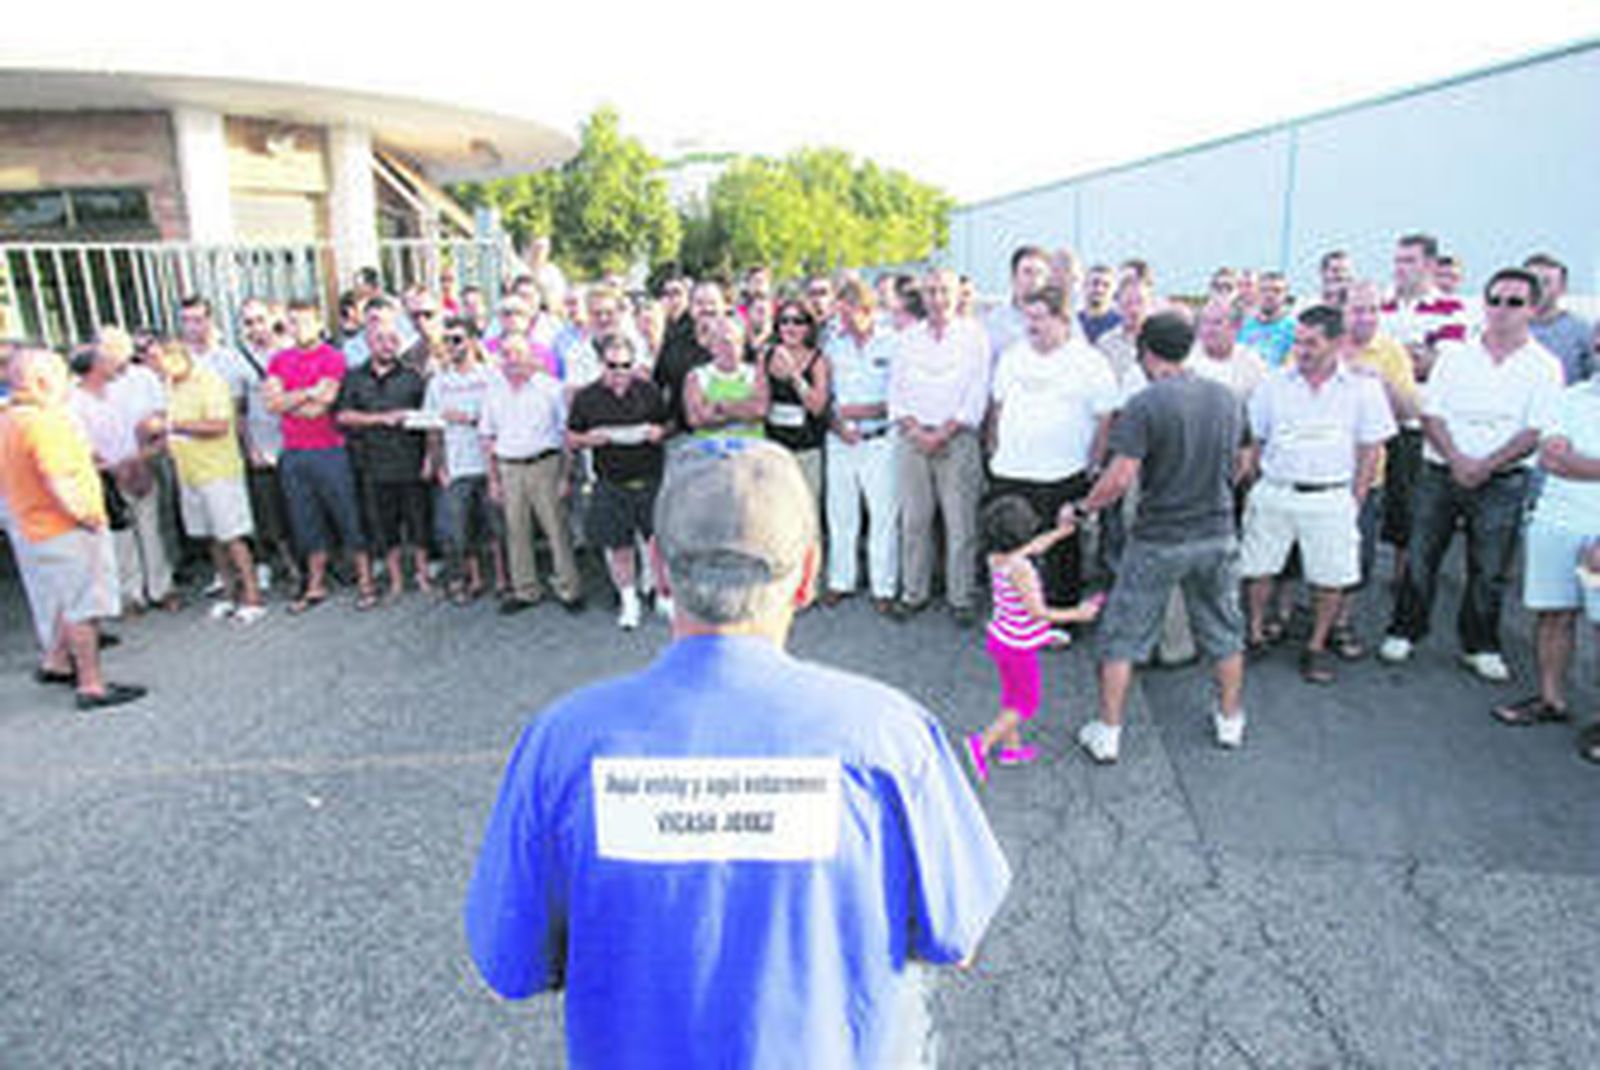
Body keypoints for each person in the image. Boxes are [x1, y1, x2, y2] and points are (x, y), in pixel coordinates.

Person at [464, 436, 1011, 1068]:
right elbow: (956, 935)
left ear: (661, 571)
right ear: (807, 573)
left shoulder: (563, 743)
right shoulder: (890, 735)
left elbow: (512, 964)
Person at [1064, 312, 1249, 763]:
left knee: (1122, 635)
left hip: (1159, 538)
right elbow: (1244, 460)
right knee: (1225, 630)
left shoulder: (1146, 404)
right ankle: (1229, 721)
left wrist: (1084, 507)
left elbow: (1119, 478)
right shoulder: (1227, 399)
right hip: (1218, 531)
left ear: (1146, 352)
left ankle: (1107, 732)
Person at [1379, 268, 1565, 680]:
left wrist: (1485, 465)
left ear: (1532, 309)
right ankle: (1405, 630)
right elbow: (1432, 412)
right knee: (1422, 556)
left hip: (1502, 480)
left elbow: (1535, 430)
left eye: (1514, 302)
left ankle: (1479, 644)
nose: (1501, 309)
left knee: (1489, 568)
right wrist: (1458, 461)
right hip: (1441, 471)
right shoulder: (1457, 356)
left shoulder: (1545, 367)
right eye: (1495, 300)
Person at [1238, 306, 1395, 684]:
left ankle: (1316, 646)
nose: (1302, 350)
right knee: (1259, 568)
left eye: (1312, 343)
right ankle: (1255, 634)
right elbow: (1256, 440)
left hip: (1331, 496)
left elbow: (1369, 449)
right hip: (1276, 490)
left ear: (1338, 343)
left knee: (1330, 576)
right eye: (1298, 341)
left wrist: (1354, 499)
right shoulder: (1273, 383)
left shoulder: (1364, 389)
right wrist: (1256, 486)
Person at [0, 348, 146, 709]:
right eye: (63, 375)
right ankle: (92, 684)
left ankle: (57, 661)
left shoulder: (9, 418)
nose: (69, 383)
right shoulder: (45, 423)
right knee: (84, 605)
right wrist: (87, 516)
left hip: (33, 524)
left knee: (67, 599)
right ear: (41, 381)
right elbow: (58, 478)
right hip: (63, 526)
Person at [986, 283, 1117, 609]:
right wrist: (993, 450)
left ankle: (1061, 617)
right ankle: (1015, 615)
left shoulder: (1090, 361)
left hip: (1063, 473)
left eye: (1041, 317)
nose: (1032, 324)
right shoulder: (1013, 357)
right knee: (1010, 548)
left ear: (1063, 320)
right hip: (1011, 469)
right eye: (1028, 317)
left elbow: (1105, 419)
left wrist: (1095, 465)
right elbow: (998, 407)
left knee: (1060, 552)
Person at [1492, 366, 1600, 753]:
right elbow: (1552, 460)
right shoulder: (1568, 397)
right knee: (1554, 614)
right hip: (1555, 522)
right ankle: (1551, 699)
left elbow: (1566, 459)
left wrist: (1577, 462)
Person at [965, 496, 1102, 782]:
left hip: (1001, 638)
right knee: (1025, 704)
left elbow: (1034, 546)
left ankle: (1011, 749)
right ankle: (982, 743)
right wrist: (1080, 613)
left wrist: (1060, 533)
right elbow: (1038, 612)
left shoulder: (996, 557)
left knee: (1012, 696)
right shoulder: (1022, 569)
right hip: (1017, 647)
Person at [889, 269, 991, 625]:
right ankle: (913, 593)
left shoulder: (974, 336)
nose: (937, 298)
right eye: (930, 291)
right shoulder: (907, 338)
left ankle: (960, 597)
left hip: (957, 439)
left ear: (957, 294)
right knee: (914, 522)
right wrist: (916, 431)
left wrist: (944, 432)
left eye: (943, 291)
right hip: (912, 439)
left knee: (960, 523)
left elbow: (977, 392)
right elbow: (896, 391)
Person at [265, 299, 376, 614]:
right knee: (305, 521)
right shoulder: (279, 359)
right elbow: (271, 403)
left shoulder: (333, 357)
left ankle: (366, 581)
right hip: (294, 453)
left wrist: (291, 398)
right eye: (292, 321)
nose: (297, 328)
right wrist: (306, 392)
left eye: (303, 321)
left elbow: (323, 403)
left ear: (318, 323)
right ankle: (315, 584)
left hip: (329, 449)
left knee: (347, 515)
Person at [154, 341, 267, 625]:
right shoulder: (169, 386)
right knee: (211, 538)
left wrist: (172, 426)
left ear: (177, 356)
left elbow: (219, 426)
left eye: (160, 360)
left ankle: (253, 597)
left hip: (218, 471)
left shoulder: (208, 381)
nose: (156, 367)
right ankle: (229, 595)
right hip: (189, 472)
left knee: (232, 535)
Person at [566, 334, 670, 630]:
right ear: (601, 365)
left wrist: (659, 433)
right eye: (613, 366)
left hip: (650, 478)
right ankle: (629, 600)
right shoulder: (587, 397)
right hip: (610, 482)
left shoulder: (648, 391)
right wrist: (590, 439)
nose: (620, 372)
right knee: (618, 546)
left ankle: (662, 594)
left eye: (626, 365)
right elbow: (571, 438)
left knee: (656, 543)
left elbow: (669, 425)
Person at [335, 301, 432, 604]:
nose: (387, 345)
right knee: (384, 527)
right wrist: (381, 419)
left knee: (418, 524)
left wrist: (431, 456)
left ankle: (423, 576)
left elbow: (430, 420)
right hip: (373, 465)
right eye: (380, 340)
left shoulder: (413, 377)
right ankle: (396, 581)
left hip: (411, 461)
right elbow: (342, 416)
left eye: (393, 340)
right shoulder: (353, 378)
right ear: (368, 342)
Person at [481, 334, 584, 614]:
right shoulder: (492, 391)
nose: (512, 360)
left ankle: (569, 589)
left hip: (545, 465)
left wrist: (565, 476)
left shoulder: (551, 389)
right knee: (516, 531)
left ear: (530, 357)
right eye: (506, 354)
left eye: (518, 354)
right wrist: (493, 479)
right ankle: (525, 590)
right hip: (509, 468)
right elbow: (487, 438)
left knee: (556, 530)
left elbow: (566, 436)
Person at [822, 280, 901, 612]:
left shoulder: (892, 343)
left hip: (880, 439)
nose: (842, 321)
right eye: (839, 313)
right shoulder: (832, 346)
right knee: (841, 514)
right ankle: (841, 580)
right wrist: (838, 424)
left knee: (883, 516)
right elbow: (824, 397)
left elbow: (902, 397)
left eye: (848, 313)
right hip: (840, 440)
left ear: (867, 310)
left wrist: (864, 412)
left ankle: (884, 588)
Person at [424, 318, 502, 605]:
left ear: (471, 341)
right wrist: (438, 464)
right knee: (454, 531)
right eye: (447, 341)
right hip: (456, 466)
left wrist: (470, 419)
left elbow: (504, 419)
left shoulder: (490, 376)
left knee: (496, 527)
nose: (451, 346)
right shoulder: (438, 382)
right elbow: (432, 428)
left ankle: (502, 581)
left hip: (489, 463)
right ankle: (462, 580)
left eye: (457, 339)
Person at [761, 299, 830, 501]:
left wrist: (794, 376)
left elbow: (817, 407)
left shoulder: (818, 360)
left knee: (806, 511)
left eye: (798, 321)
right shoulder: (766, 355)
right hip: (774, 449)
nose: (790, 327)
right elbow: (759, 403)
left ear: (809, 327)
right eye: (784, 321)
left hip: (807, 450)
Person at [684, 313, 767, 440]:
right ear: (712, 346)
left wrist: (720, 407)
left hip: (751, 448)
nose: (732, 348)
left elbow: (760, 410)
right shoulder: (696, 376)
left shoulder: (755, 373)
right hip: (709, 450)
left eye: (737, 341)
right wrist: (742, 409)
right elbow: (696, 420)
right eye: (725, 342)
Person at [1523, 253, 1592, 386]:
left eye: (1546, 282)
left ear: (1562, 288)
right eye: (1531, 282)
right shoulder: (1503, 330)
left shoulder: (1583, 331)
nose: (1538, 289)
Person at [1237, 271, 1296, 367]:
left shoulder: (1293, 329)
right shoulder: (1244, 328)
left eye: (1276, 291)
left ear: (1286, 295)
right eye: (1264, 290)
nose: (1269, 295)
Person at [1077, 263, 1122, 344]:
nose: (1099, 289)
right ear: (1084, 286)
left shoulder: (1120, 326)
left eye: (1106, 285)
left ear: (1114, 292)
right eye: (1095, 283)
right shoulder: (1075, 323)